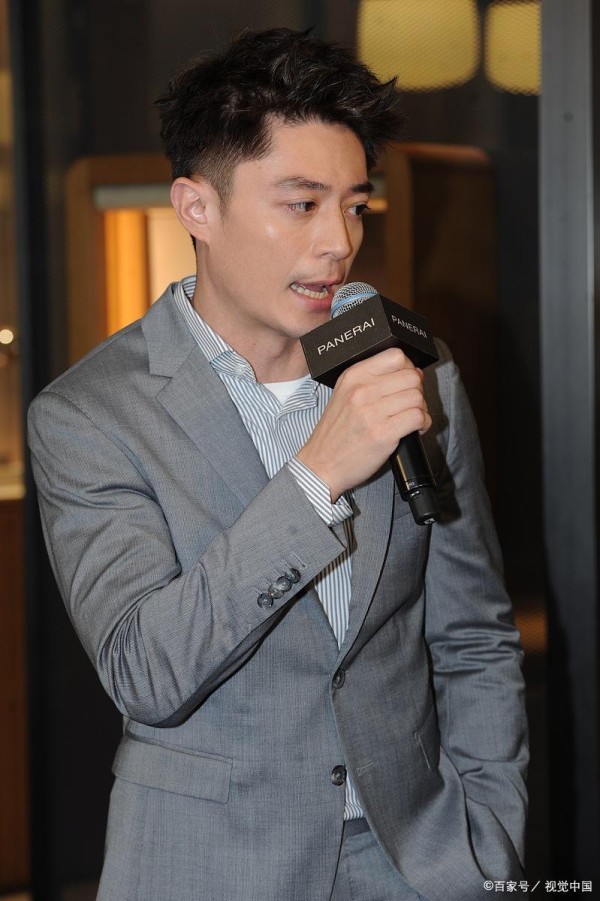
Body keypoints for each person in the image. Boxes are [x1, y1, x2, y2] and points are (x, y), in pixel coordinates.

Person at [28, 27, 528, 901]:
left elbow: (474, 633)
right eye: (301, 204)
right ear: (197, 207)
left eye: (355, 205)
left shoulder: (408, 369)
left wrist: (490, 845)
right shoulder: (89, 415)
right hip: (208, 868)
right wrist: (316, 474)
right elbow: (146, 671)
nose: (339, 241)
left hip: (418, 862)